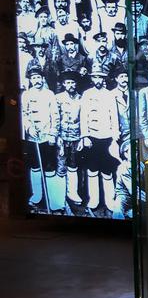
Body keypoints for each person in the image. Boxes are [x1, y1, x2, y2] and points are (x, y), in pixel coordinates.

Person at [80, 61, 120, 213]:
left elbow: (114, 116)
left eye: (100, 77)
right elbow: (83, 116)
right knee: (92, 169)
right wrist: (85, 136)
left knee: (107, 169)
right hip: (92, 137)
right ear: (92, 78)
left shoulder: (109, 94)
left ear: (104, 79)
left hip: (106, 137)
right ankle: (94, 199)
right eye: (95, 77)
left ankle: (109, 200)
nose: (98, 80)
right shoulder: (87, 94)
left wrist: (115, 135)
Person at [21, 64, 62, 212]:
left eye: (38, 77)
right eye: (33, 78)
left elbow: (55, 116)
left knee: (50, 167)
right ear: (30, 80)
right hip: (33, 138)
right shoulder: (26, 95)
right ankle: (37, 196)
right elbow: (24, 114)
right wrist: (29, 128)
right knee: (35, 167)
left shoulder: (49, 94)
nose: (36, 80)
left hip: (47, 137)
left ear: (43, 78)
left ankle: (53, 199)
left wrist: (52, 134)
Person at [56, 70, 83, 206]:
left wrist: (82, 138)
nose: (71, 85)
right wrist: (57, 137)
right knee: (61, 164)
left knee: (74, 165)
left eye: (73, 82)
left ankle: (72, 192)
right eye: (68, 83)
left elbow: (84, 119)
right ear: (63, 84)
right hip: (61, 137)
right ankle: (60, 195)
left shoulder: (81, 98)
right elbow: (55, 118)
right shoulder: (58, 98)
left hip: (75, 137)